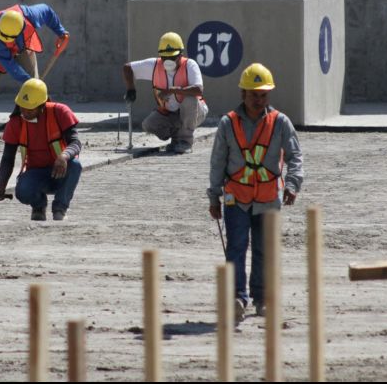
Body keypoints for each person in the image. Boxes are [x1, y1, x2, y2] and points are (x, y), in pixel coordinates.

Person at [207, 63, 304, 322]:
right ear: (243, 94)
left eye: (263, 95)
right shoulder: (228, 124)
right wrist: (213, 196)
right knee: (236, 248)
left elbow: (295, 155)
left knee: (264, 250)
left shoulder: (280, 122)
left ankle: (262, 299)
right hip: (236, 198)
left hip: (269, 199)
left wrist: (293, 184)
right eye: (254, 94)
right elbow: (218, 162)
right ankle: (238, 297)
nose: (259, 100)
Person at [0, 79, 82, 221]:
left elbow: (76, 143)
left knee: (75, 165)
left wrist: (64, 156)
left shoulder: (60, 112)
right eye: (22, 107)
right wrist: (2, 186)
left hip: (61, 171)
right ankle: (39, 206)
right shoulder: (15, 123)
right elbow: (8, 157)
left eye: (30, 109)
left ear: (42, 106)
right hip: (36, 175)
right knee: (22, 191)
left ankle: (60, 208)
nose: (25, 113)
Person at [122, 32, 208, 154]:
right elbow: (127, 68)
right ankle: (177, 138)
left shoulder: (190, 65)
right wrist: (131, 88)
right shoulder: (154, 65)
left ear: (180, 55)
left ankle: (185, 142)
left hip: (195, 112)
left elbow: (198, 90)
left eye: (172, 57)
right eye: (164, 57)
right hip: (171, 113)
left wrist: (172, 90)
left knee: (190, 99)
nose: (168, 61)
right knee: (149, 124)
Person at [0, 4, 70, 116]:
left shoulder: (31, 15)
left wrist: (61, 32)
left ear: (21, 29)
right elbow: (11, 66)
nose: (7, 41)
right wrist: (29, 82)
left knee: (34, 88)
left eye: (9, 39)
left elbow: (47, 12)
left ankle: (32, 119)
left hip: (23, 46)